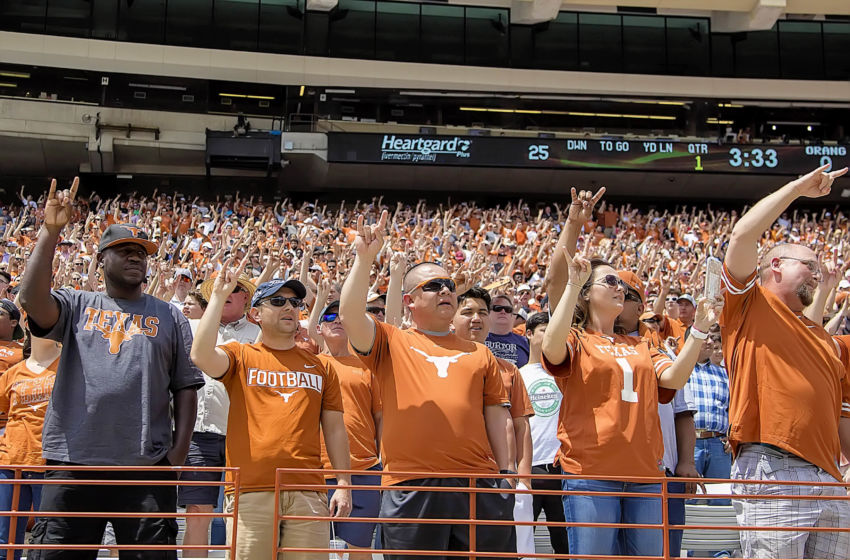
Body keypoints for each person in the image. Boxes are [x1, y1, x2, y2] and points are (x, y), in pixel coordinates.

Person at [19, 178, 203, 560]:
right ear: (102, 258)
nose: (136, 256)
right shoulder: (76, 303)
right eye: (124, 250)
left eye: (141, 252)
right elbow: (32, 300)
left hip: (145, 467)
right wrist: (50, 233)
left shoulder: (168, 314)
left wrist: (179, 451)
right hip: (73, 463)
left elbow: (186, 386)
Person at [541, 188, 721, 559]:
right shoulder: (575, 337)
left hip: (645, 474)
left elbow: (671, 380)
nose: (619, 288)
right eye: (610, 282)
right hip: (590, 472)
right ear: (587, 294)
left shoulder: (642, 344)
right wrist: (575, 225)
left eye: (622, 284)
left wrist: (699, 330)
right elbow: (553, 333)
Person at [339, 211, 516, 560]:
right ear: (410, 302)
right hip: (410, 486)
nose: (446, 290)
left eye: (449, 285)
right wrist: (365, 260)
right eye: (432, 286)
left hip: (479, 487)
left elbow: (497, 416)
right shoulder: (390, 342)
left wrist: (506, 474)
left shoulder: (480, 353)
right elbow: (349, 315)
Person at [721, 165, 850, 559]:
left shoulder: (825, 341)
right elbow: (742, 234)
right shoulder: (751, 306)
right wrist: (797, 188)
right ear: (774, 265)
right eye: (809, 265)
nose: (819, 272)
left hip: (830, 476)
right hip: (773, 463)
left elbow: (841, 416)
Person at [190, 268, 353, 560]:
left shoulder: (321, 366)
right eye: (278, 302)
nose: (289, 307)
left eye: (295, 302)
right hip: (251, 491)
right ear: (255, 314)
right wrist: (217, 298)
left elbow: (335, 429)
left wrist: (343, 483)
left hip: (307, 492)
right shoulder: (240, 355)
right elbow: (201, 356)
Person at [179, 273, 260, 558]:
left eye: (235, 289)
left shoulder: (260, 335)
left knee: (238, 512)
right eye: (218, 288)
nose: (226, 292)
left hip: (244, 435)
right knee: (197, 511)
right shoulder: (189, 328)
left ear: (246, 298)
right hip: (198, 434)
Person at [452, 287, 534, 556]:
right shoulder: (438, 364)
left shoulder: (508, 370)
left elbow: (521, 424)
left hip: (498, 480)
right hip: (451, 478)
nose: (476, 319)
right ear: (451, 318)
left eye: (483, 313)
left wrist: (521, 479)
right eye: (467, 312)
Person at [316, 298, 382, 559]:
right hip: (314, 470)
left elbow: (380, 418)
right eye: (329, 318)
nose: (337, 321)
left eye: (341, 317)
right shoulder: (307, 366)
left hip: (364, 469)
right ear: (318, 328)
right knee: (309, 547)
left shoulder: (368, 368)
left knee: (360, 549)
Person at [0, 327, 61, 560]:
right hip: (10, 463)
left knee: (48, 537)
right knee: (4, 540)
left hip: (50, 464)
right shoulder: (14, 373)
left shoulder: (68, 368)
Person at [518, 312, 569, 556]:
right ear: (528, 334)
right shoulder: (517, 375)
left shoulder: (566, 373)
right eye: (543, 331)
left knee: (565, 544)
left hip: (562, 467)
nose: (550, 336)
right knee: (521, 541)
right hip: (529, 468)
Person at [685, 333, 731, 504]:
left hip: (719, 444)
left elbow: (733, 407)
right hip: (689, 444)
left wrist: (733, 434)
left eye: (712, 338)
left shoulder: (725, 374)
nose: (710, 342)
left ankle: (719, 532)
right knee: (686, 498)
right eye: (705, 337)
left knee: (722, 499)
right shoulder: (681, 370)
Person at [485, 294, 530, 367]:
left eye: (508, 309)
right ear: (487, 312)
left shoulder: (524, 342)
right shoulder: (477, 339)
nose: (503, 311)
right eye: (497, 308)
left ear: (512, 314)